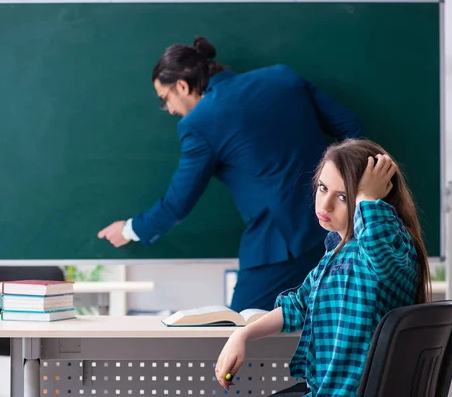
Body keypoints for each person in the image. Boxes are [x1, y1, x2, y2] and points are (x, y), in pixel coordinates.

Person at [98, 36, 363, 311]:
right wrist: (341, 196)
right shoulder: (282, 76)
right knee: (333, 337)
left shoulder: (199, 124)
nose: (171, 110)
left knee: (236, 341)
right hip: (341, 232)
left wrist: (130, 229)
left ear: (182, 86)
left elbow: (177, 204)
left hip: (277, 247)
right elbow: (352, 129)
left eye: (166, 100)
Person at [214, 139, 432, 396]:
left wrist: (365, 198)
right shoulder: (337, 253)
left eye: (342, 196)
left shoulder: (391, 243)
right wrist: (242, 335)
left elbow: (381, 261)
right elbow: (298, 305)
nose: (325, 205)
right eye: (322, 188)